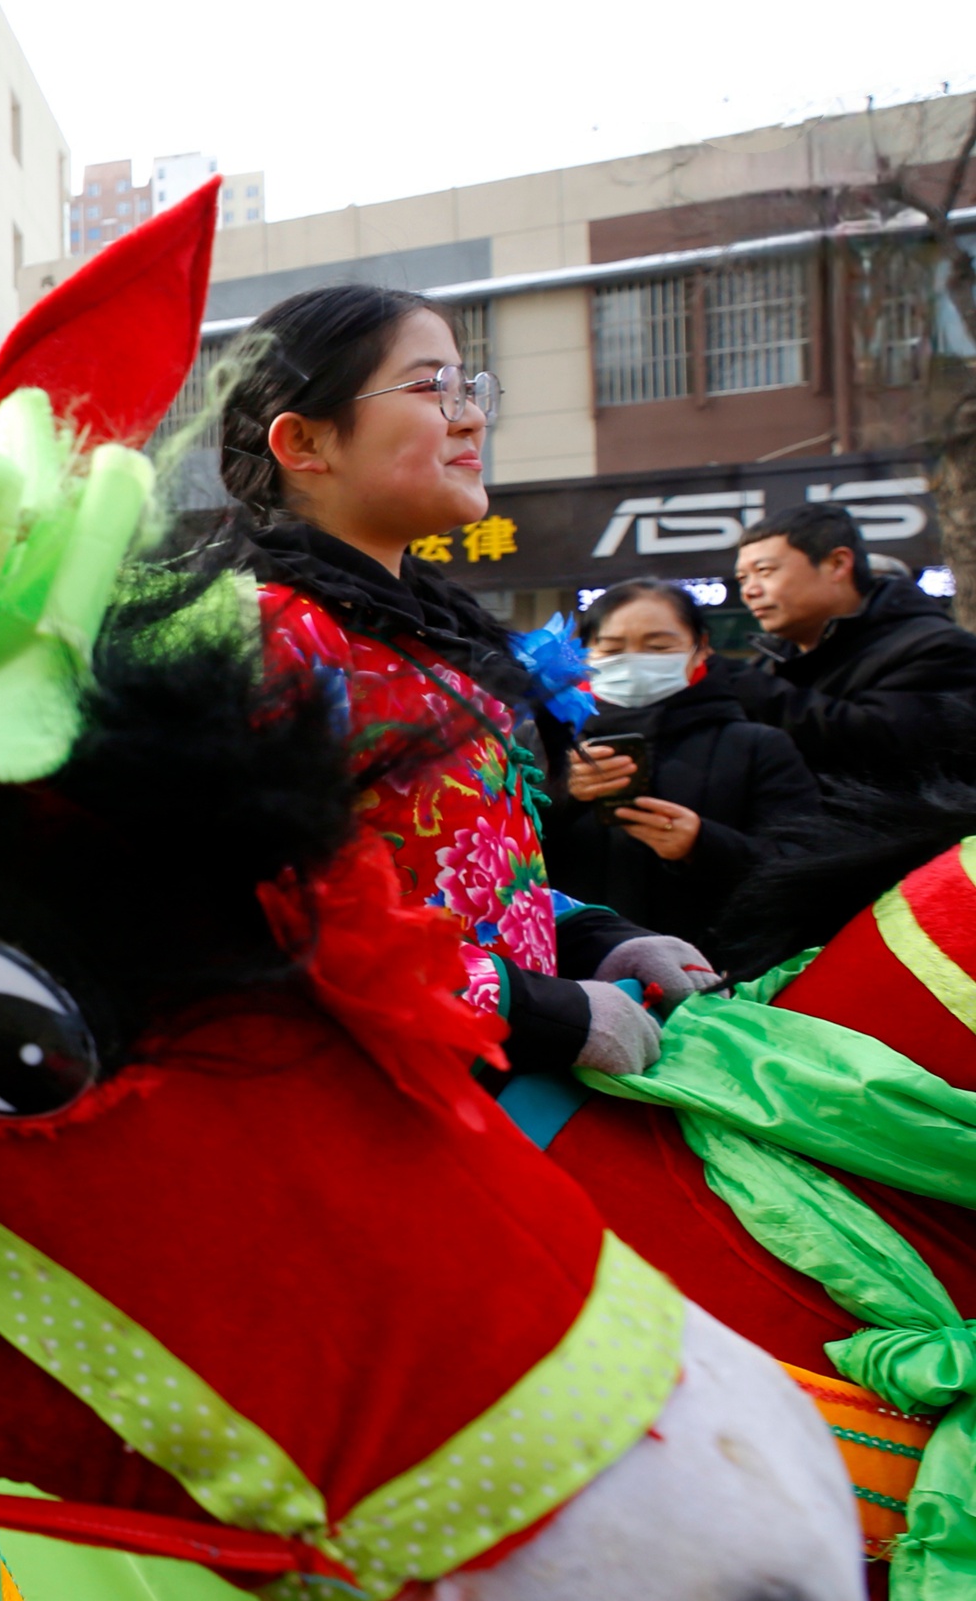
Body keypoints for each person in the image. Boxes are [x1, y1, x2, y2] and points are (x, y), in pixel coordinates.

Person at [216, 283, 715, 1077]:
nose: (473, 415)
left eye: (469, 386)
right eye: (429, 387)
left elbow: (456, 878)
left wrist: (591, 936)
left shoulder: (424, 637)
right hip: (389, 1108)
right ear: (304, 441)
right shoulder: (270, 633)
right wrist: (530, 1007)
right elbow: (252, 918)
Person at [547, 579, 820, 955]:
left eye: (659, 647)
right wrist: (559, 794)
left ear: (700, 648)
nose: (635, 660)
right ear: (585, 653)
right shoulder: (544, 742)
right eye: (611, 648)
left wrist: (702, 845)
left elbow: (807, 866)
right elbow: (495, 853)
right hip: (572, 971)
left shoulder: (757, 746)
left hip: (713, 973)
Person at [717, 502, 976, 789]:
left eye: (764, 571)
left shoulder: (937, 648)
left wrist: (746, 686)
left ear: (838, 564)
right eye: (743, 578)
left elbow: (887, 750)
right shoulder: (767, 665)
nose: (750, 591)